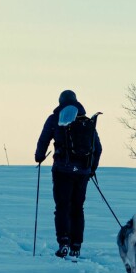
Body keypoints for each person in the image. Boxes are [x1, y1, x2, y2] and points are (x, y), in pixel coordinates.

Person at [35, 90, 102, 260]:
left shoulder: (54, 118)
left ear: (60, 102)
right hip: (82, 172)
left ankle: (63, 242)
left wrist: (39, 156)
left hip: (62, 170)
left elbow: (44, 139)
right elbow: (98, 148)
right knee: (78, 207)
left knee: (62, 207)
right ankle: (76, 245)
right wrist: (91, 168)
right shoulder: (86, 121)